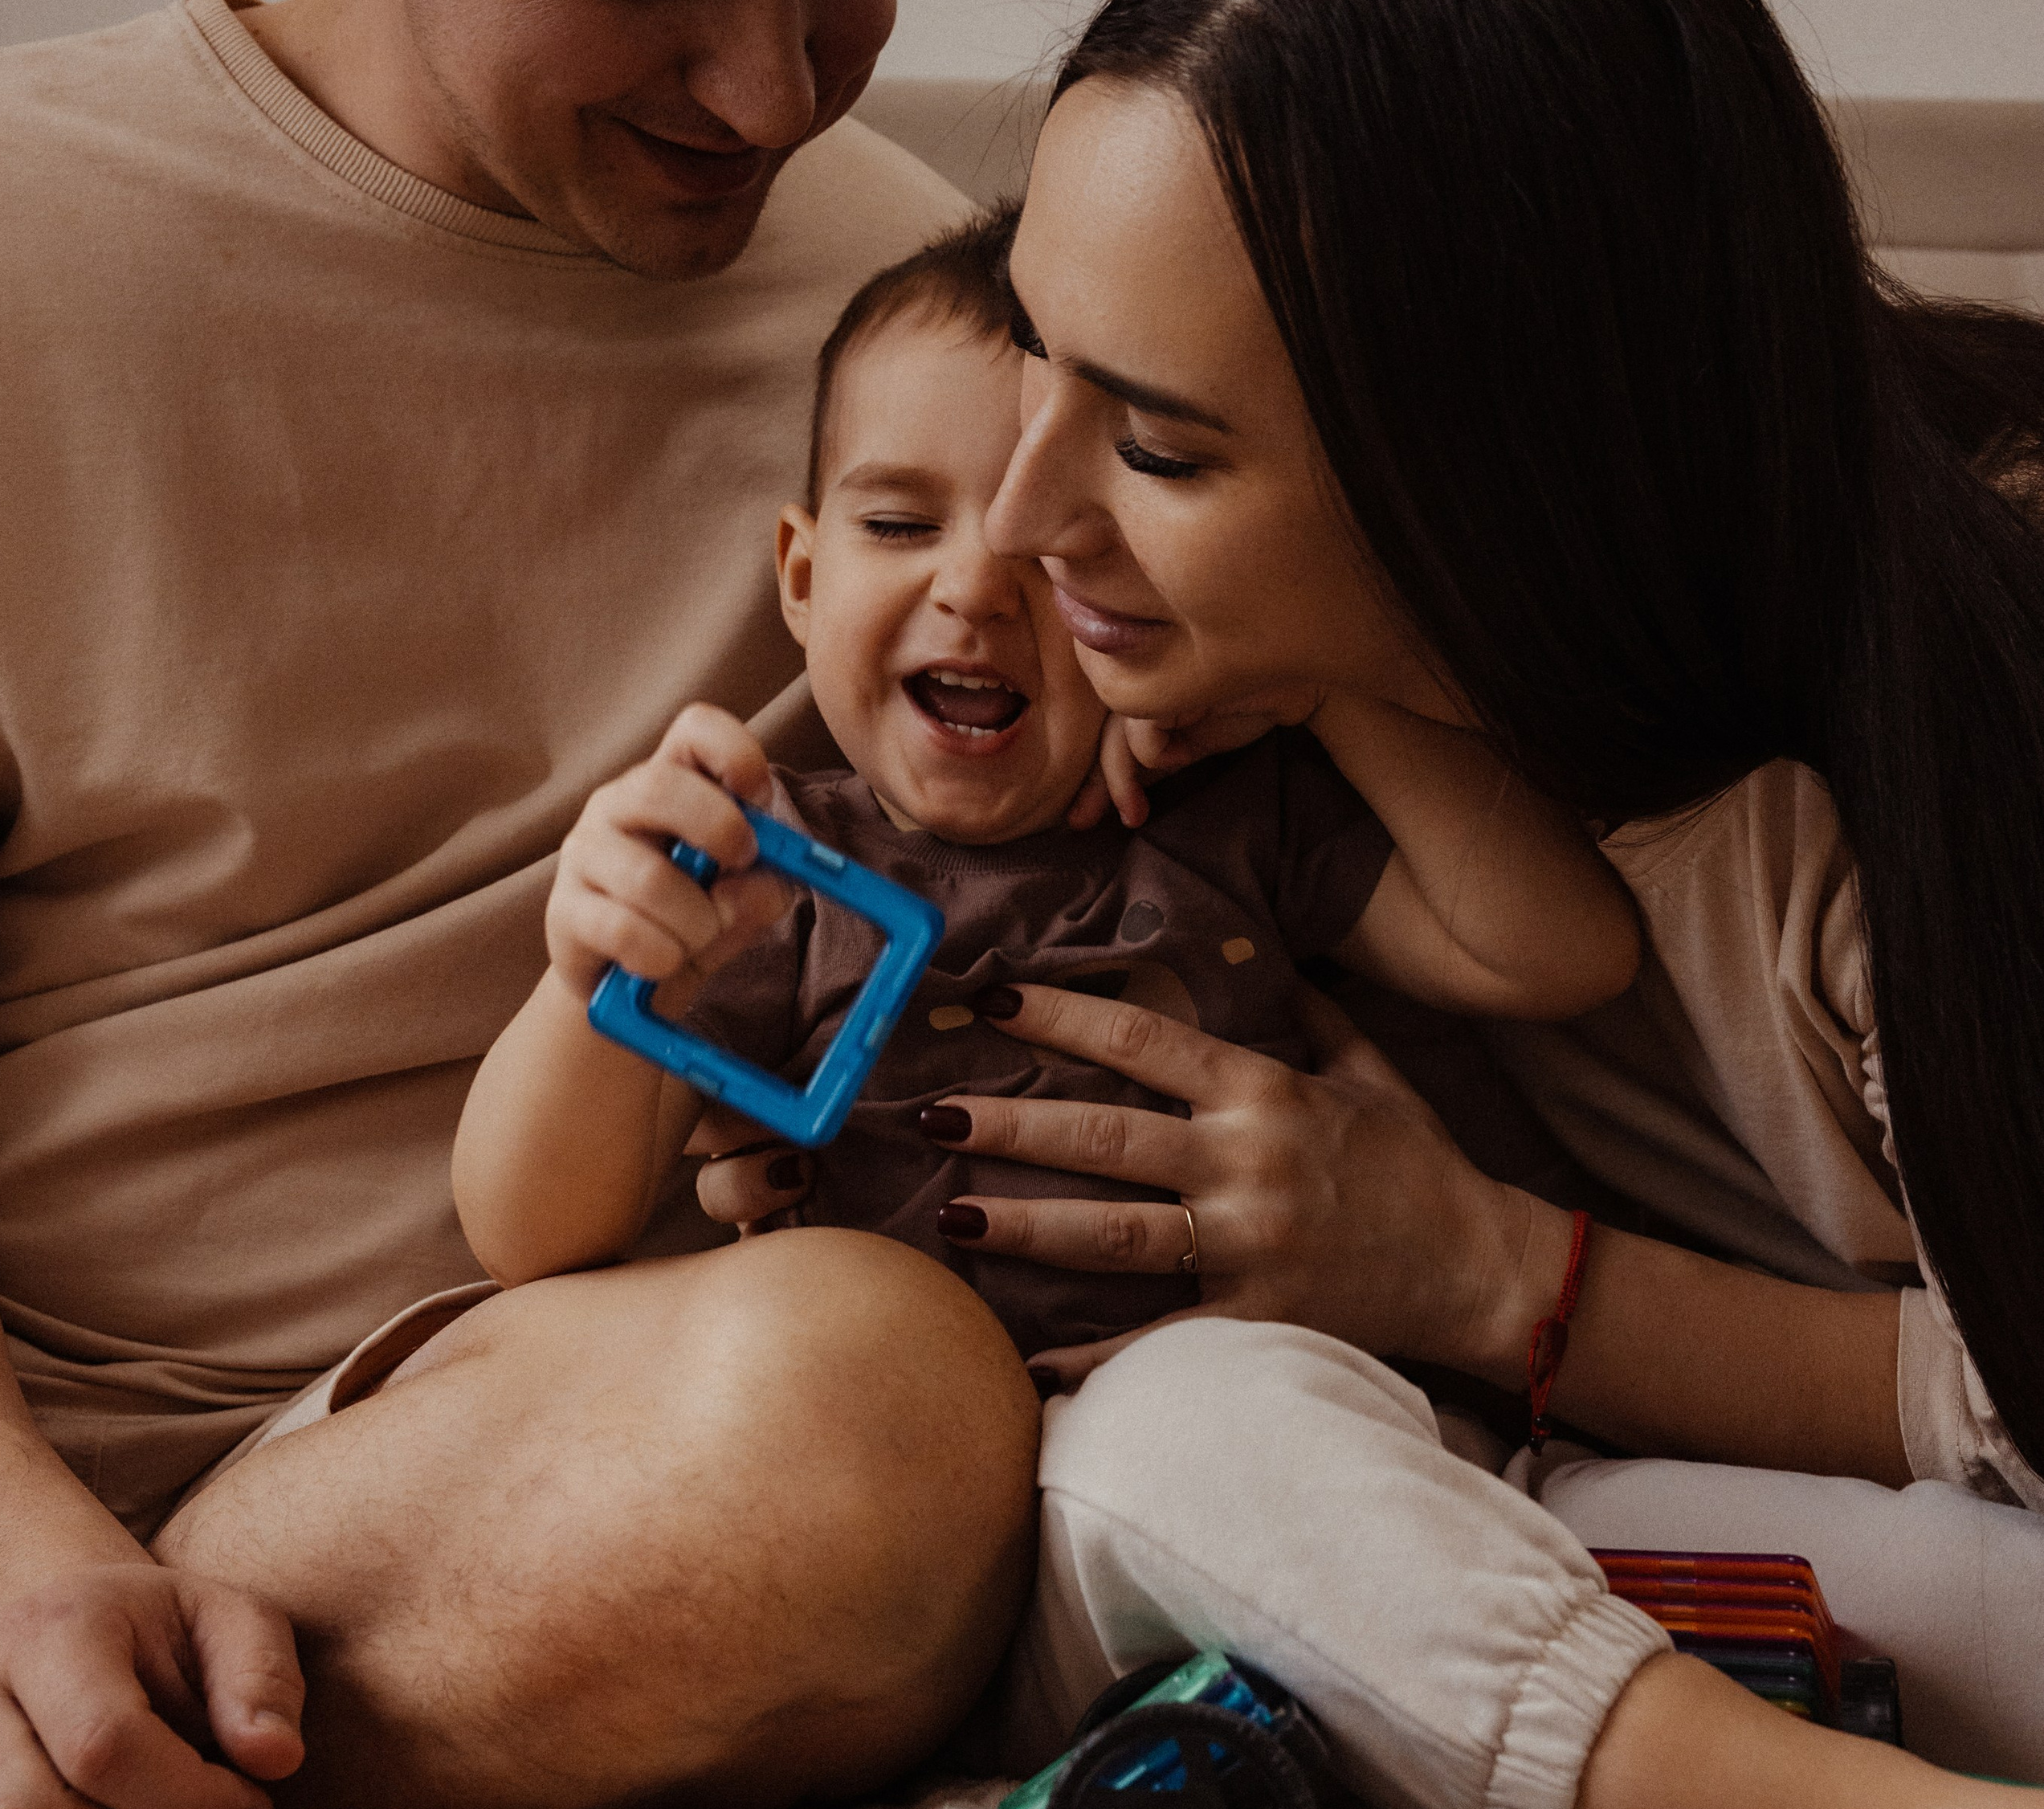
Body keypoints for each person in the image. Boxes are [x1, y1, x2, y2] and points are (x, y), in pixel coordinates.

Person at [727, 0, 2044, 1809]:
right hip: (1578, 1511)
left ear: (1482, 476)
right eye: (1039, 356)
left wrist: (1490, 1276)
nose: (1027, 520)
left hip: (1959, 1502)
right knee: (1177, 1462)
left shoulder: (1906, 753)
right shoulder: (1196, 720)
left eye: (1153, 446)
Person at [0, 0, 1042, 1809]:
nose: (766, 90)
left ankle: (146, 1746)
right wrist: (20, 1555)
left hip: (560, 1420)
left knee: (875, 1415)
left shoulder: (925, 337)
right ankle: (90, 1710)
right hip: (48, 1453)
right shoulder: (22, 240)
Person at [448, 206, 1639, 1331]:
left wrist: (1315, 688)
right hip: (877, 1400)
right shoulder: (760, 878)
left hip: (1227, 1385)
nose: (975, 586)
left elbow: (1560, 955)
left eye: (1063, 548)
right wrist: (597, 974)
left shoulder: (1230, 809)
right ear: (802, 580)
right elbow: (527, 1237)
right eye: (900, 525)